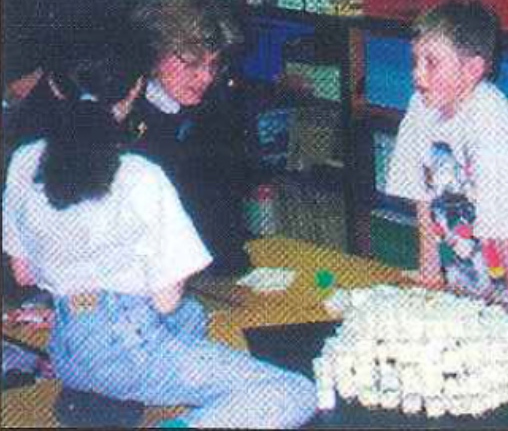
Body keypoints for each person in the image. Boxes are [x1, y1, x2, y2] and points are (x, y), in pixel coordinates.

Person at [1, 29, 317, 429]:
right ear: (135, 90)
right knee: (292, 392)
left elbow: (23, 273)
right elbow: (165, 299)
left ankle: (107, 390)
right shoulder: (139, 175)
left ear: (57, 87)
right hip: (126, 348)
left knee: (193, 316)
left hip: (66, 348)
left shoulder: (24, 161)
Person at [385, 0, 508, 323]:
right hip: (486, 261)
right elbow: (422, 191)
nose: (416, 73)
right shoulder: (421, 107)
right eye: (415, 60)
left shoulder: (493, 122)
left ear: (472, 70)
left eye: (431, 62)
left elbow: (507, 217)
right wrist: (430, 270)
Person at [125, 0, 251, 278]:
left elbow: (221, 211)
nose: (205, 77)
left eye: (214, 65)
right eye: (193, 63)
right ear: (155, 54)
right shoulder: (124, 114)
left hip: (203, 272)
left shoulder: (215, 112)